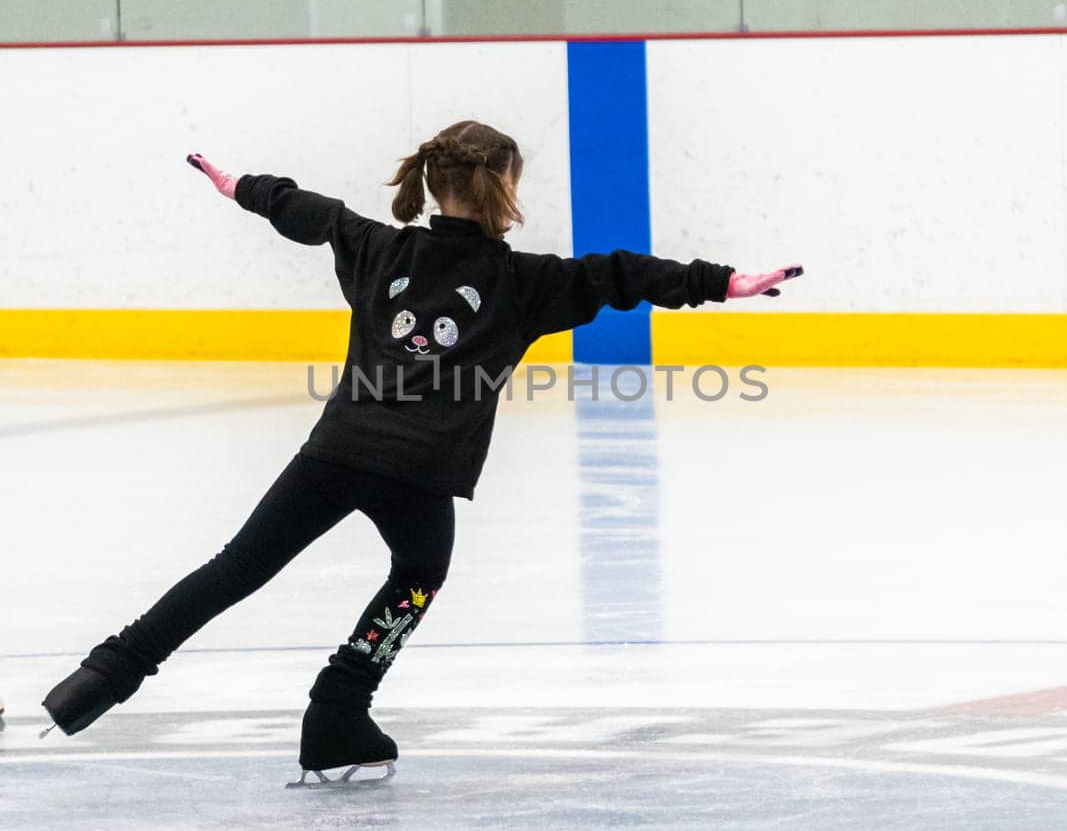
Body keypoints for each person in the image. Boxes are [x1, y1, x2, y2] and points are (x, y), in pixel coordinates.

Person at [42, 120, 802, 785]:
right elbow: (620, 275)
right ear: (504, 187)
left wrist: (240, 185)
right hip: (418, 472)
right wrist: (722, 283)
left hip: (337, 449)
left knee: (237, 567)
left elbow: (311, 213)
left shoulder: (378, 249)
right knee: (417, 574)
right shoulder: (523, 282)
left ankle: (102, 677)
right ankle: (338, 710)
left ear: (433, 184)